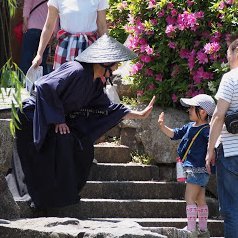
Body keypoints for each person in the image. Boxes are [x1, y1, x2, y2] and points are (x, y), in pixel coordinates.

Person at [7, 34, 155, 209]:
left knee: (81, 147)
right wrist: (58, 120)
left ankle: (58, 199)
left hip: (51, 119)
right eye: (115, 63)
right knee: (42, 160)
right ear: (104, 62)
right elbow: (44, 86)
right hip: (33, 116)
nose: (116, 67)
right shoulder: (76, 70)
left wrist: (139, 114)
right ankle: (38, 201)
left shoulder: (94, 84)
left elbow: (106, 109)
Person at [158, 94, 216, 238]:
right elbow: (175, 134)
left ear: (202, 112)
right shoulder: (191, 126)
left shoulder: (206, 130)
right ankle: (203, 230)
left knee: (189, 197)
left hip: (196, 170)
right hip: (199, 171)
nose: (188, 110)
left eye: (192, 108)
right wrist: (162, 126)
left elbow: (212, 145)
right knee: (200, 199)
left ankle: (191, 229)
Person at [206, 39, 238, 238]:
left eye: (228, 52)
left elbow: (218, 116)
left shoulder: (231, 78)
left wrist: (210, 149)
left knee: (232, 210)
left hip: (232, 151)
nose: (226, 57)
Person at [32, 0, 108, 70]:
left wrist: (107, 52)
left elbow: (102, 26)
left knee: (89, 81)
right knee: (63, 81)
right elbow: (48, 26)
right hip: (65, 47)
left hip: (89, 47)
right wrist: (39, 54)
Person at [20, 0, 50, 75]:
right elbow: (54, 15)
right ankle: (42, 83)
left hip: (31, 27)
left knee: (26, 57)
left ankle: (24, 82)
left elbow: (27, 5)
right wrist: (54, 32)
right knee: (42, 60)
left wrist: (25, 22)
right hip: (45, 31)